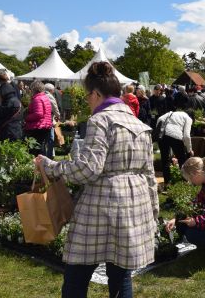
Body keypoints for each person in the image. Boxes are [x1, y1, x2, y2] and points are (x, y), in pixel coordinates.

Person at [34, 61, 158, 298]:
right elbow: (150, 175)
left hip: (102, 204)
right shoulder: (140, 124)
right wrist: (152, 212)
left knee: (76, 275)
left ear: (97, 93)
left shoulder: (100, 120)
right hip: (135, 204)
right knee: (121, 276)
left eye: (88, 96)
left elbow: (88, 169)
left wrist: (51, 166)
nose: (88, 100)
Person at [156, 104, 193, 185]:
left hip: (162, 136)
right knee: (182, 159)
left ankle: (167, 183)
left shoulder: (171, 113)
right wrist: (189, 149)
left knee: (165, 160)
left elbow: (159, 119)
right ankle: (184, 182)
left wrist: (159, 131)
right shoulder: (188, 118)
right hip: (176, 136)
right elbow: (187, 136)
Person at [24, 80, 53, 156]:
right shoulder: (45, 97)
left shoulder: (37, 99)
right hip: (45, 126)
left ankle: (38, 166)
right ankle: (42, 165)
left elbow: (38, 114)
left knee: (36, 149)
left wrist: (27, 117)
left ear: (34, 89)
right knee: (41, 148)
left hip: (38, 127)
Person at [44, 83, 61, 159]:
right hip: (48, 119)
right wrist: (58, 116)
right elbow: (55, 107)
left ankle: (44, 154)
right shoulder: (49, 96)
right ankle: (49, 155)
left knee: (43, 139)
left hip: (41, 120)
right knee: (51, 138)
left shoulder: (40, 95)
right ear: (51, 90)